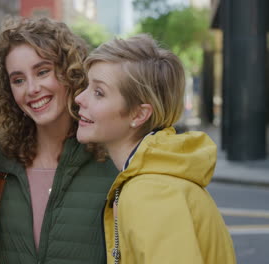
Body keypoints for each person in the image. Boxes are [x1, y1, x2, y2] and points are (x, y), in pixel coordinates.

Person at [75, 34, 236, 264]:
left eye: (98, 92)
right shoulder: (153, 180)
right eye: (87, 87)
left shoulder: (151, 192)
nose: (79, 98)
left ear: (139, 114)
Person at [0, 16, 118, 264]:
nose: (31, 89)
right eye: (18, 80)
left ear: (70, 71)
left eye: (42, 71)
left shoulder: (111, 160)